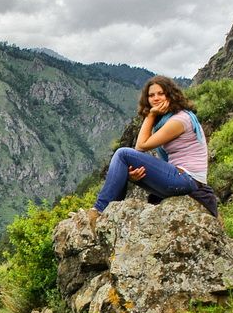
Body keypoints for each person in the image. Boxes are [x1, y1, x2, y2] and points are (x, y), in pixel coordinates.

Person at [93, 75, 218, 216]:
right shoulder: (167, 120)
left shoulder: (180, 120)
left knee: (123, 154)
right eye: (151, 95)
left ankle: (99, 210)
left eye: (161, 93)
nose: (156, 98)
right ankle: (109, 213)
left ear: (170, 95)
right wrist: (131, 176)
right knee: (124, 169)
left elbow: (141, 146)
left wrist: (150, 115)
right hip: (181, 178)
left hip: (187, 179)